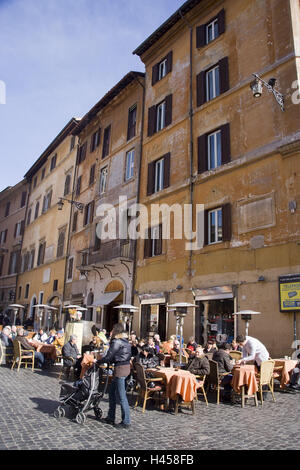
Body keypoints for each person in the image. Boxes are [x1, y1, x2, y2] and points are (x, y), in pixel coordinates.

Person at [97, 323, 132, 428]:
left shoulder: (117, 341)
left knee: (122, 396)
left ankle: (126, 421)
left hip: (120, 369)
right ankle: (111, 417)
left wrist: (99, 361)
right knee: (111, 392)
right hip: (125, 368)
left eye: (112, 329)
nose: (111, 331)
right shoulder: (126, 341)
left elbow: (109, 356)